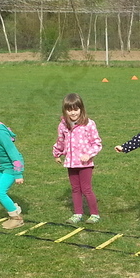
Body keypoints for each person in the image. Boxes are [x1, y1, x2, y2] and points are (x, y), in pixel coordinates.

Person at [52, 93, 103, 224]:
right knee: (75, 189)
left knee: (86, 189)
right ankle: (77, 213)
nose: (73, 113)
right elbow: (60, 141)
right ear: (65, 110)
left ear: (81, 109)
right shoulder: (63, 125)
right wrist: (57, 153)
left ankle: (94, 214)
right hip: (71, 163)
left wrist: (89, 154)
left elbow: (97, 143)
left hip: (85, 164)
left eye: (76, 109)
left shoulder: (89, 124)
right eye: (69, 110)